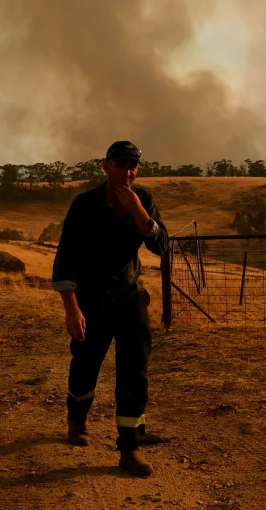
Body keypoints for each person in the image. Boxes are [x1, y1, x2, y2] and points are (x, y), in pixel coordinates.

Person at [51, 140, 169, 477]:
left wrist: (138, 213)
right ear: (106, 167)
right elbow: (66, 259)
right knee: (86, 364)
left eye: (134, 167)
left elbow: (161, 246)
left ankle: (129, 448)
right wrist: (72, 308)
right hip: (90, 299)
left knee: (135, 372)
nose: (128, 173)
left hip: (129, 296)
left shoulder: (143, 200)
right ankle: (77, 420)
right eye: (121, 165)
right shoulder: (84, 205)